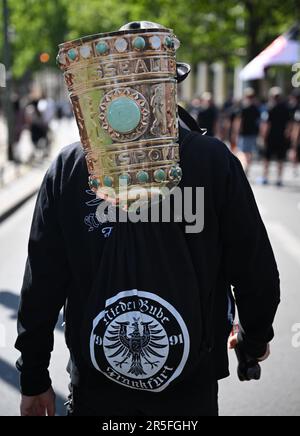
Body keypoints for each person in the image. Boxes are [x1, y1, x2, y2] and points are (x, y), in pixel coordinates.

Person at [16, 22, 280, 417]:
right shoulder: (212, 160)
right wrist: (254, 338)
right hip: (189, 387)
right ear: (170, 83)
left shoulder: (71, 168)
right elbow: (254, 266)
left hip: (96, 386)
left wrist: (34, 377)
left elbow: (43, 281)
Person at [259, 87, 291, 186]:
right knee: (280, 158)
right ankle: (279, 179)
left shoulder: (269, 108)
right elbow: (289, 124)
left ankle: (265, 177)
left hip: (270, 137)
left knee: (267, 158)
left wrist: (262, 137)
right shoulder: (286, 108)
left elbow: (266, 124)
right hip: (281, 137)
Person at [233, 88, 261, 176]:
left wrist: (235, 133)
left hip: (244, 134)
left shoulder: (243, 108)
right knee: (249, 152)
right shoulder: (256, 108)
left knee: (242, 151)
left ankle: (245, 167)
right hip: (252, 133)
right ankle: (247, 166)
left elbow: (239, 122)